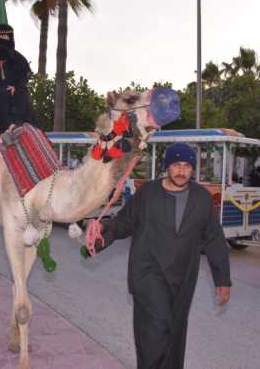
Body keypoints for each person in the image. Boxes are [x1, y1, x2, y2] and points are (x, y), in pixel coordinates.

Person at [87, 142, 232, 369]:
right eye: (176, 165)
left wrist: (222, 280)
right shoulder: (148, 193)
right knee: (156, 329)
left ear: (193, 169)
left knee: (175, 333)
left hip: (183, 278)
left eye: (186, 166)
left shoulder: (202, 199)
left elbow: (215, 240)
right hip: (148, 274)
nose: (181, 171)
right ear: (167, 167)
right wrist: (97, 239)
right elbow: (123, 224)